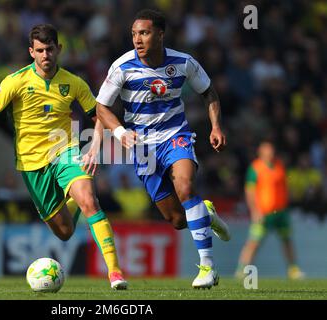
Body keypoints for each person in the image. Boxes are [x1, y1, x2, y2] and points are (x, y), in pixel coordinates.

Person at [0, 24, 127, 290]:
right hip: (31, 165)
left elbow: (99, 113)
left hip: (65, 151)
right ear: (31, 52)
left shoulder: (73, 82)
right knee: (64, 232)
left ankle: (115, 272)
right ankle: (72, 202)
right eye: (39, 50)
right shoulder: (16, 81)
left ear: (59, 49)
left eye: (49, 49)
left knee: (90, 200)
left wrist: (95, 145)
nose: (45, 55)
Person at [95, 9, 230, 289]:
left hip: (175, 135)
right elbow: (101, 106)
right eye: (134, 33)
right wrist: (119, 132)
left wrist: (216, 126)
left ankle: (207, 267)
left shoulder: (184, 63)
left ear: (160, 34)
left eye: (143, 33)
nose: (137, 39)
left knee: (185, 186)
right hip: (142, 146)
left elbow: (209, 92)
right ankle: (206, 213)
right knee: (177, 219)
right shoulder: (122, 67)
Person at [235, 140, 305, 280]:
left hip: (281, 212)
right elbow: (250, 192)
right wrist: (255, 211)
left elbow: (284, 186)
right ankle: (242, 269)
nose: (270, 153)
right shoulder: (255, 168)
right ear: (261, 152)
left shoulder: (280, 165)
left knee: (287, 240)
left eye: (271, 150)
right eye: (267, 150)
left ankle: (293, 269)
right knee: (254, 242)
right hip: (263, 213)